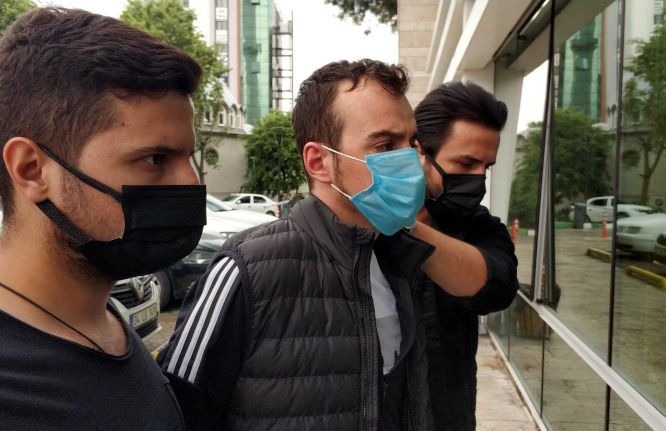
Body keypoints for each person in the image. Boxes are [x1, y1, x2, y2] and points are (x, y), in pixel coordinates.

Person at [158, 59, 436, 430]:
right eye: (385, 145)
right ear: (319, 162)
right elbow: (176, 411)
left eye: (410, 143)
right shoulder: (246, 269)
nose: (410, 161)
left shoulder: (402, 258)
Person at [0, 7, 206, 429]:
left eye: (190, 158)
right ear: (32, 170)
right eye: (155, 158)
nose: (191, 183)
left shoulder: (108, 319)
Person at [409, 82, 520, 430]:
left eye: (486, 167)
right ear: (419, 152)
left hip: (448, 417)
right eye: (466, 163)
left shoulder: (481, 227)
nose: (478, 179)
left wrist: (406, 227)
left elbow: (498, 288)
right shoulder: (364, 226)